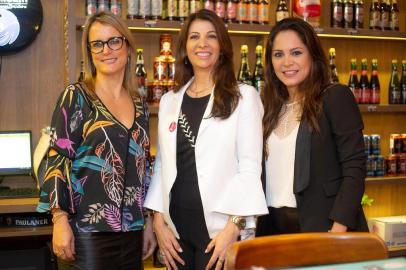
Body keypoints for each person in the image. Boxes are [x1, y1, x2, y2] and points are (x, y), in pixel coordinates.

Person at [144, 9, 268, 270]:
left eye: (211, 36)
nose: (203, 44)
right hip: (176, 231)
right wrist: (157, 221)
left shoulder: (243, 97)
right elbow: (162, 166)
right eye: (194, 37)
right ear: (185, 47)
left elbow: (250, 168)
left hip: (219, 233)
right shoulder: (169, 101)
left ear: (222, 46)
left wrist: (234, 227)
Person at [36, 12, 156, 269]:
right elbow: (57, 161)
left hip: (132, 231)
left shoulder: (140, 104)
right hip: (88, 231)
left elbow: (143, 169)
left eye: (114, 41)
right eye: (97, 44)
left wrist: (148, 222)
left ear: (127, 45)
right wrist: (59, 221)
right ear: (89, 52)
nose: (106, 50)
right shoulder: (77, 97)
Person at [256, 17, 369, 236]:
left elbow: (355, 167)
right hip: (272, 228)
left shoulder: (335, 97)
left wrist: (339, 227)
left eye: (296, 52)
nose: (287, 62)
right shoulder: (268, 107)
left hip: (324, 226)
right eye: (278, 54)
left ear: (313, 56)